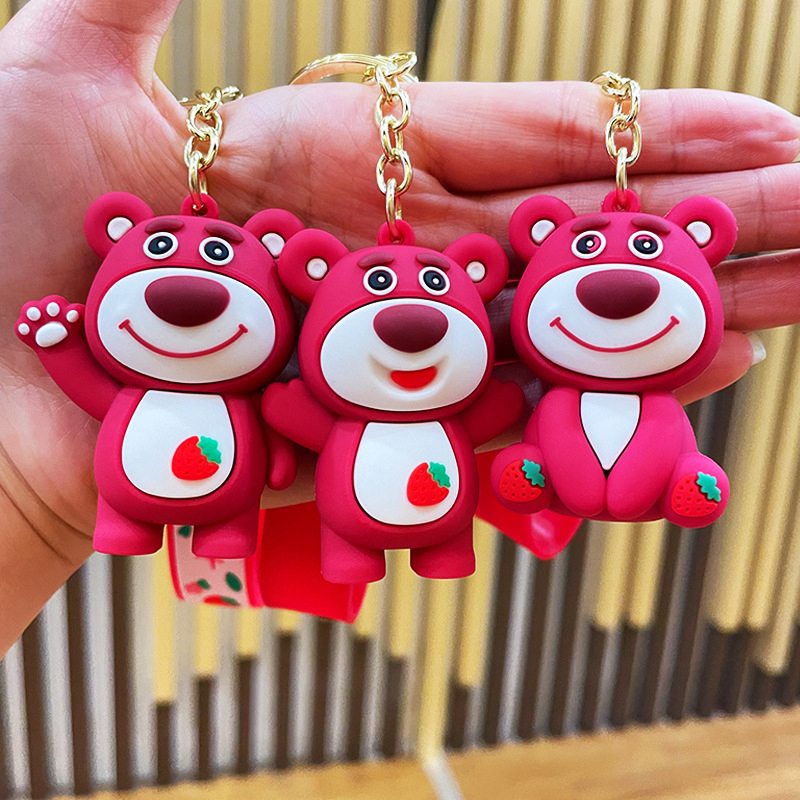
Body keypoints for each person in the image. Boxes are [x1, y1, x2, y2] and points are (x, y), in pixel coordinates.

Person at [1, 0, 800, 657]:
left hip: (431, 466)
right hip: (234, 469)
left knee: (533, 456)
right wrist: (71, 352)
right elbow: (110, 392)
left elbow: (485, 406)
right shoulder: (258, 377)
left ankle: (618, 484)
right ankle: (179, 527)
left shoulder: (482, 376)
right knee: (265, 512)